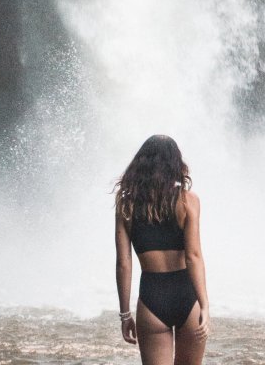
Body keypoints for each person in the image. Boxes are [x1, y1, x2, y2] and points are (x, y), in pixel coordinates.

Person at [113, 134, 210, 365]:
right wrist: (205, 305)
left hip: (151, 298)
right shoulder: (188, 201)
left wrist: (125, 314)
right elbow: (193, 256)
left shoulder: (125, 203)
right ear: (175, 164)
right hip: (187, 296)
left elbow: (123, 263)